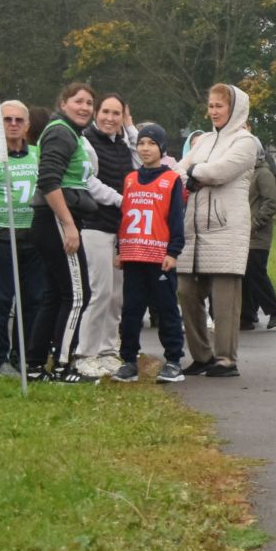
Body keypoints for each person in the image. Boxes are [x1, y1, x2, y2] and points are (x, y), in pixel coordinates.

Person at [178, 84, 263, 376]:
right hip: (195, 229)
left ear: (235, 109)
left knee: (225, 298)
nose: (214, 111)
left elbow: (218, 172)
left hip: (227, 228)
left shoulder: (246, 141)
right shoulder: (203, 141)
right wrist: (196, 172)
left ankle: (226, 360)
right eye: (211, 106)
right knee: (186, 290)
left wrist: (195, 172)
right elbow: (179, 169)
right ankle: (202, 355)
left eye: (220, 106)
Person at [30, 84, 99, 383]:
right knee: (76, 295)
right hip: (57, 220)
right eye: (78, 101)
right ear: (63, 103)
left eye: (89, 103)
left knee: (55, 295)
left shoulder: (73, 134)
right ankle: (61, 366)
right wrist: (68, 224)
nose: (85, 107)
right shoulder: (60, 132)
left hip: (55, 220)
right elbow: (48, 181)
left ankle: (34, 365)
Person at [0, 99, 46, 376]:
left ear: (27, 125)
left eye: (18, 120)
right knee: (0, 302)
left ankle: (23, 355)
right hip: (0, 238)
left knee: (33, 300)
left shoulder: (38, 154)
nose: (13, 124)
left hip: (34, 239)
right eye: (7, 120)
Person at [113, 123, 187, 383]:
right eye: (141, 143)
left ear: (161, 148)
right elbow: (123, 217)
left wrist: (173, 251)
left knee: (166, 309)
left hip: (159, 257)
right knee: (131, 311)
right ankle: (129, 360)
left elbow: (177, 219)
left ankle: (174, 361)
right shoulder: (130, 179)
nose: (145, 148)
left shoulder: (171, 180)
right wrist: (119, 249)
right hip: (133, 255)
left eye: (151, 143)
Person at [74, 93, 135, 376]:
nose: (110, 118)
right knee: (98, 293)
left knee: (115, 295)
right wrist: (119, 199)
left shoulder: (123, 146)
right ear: (96, 113)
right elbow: (88, 181)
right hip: (95, 226)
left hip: (119, 230)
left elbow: (139, 157)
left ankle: (108, 350)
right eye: (105, 112)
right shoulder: (86, 142)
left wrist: (131, 129)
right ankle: (85, 353)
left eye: (116, 113)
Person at [240, 147, 276, 331]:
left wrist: (255, 223)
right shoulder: (248, 173)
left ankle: (275, 310)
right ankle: (247, 316)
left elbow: (270, 202)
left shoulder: (263, 173)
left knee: (255, 272)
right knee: (245, 275)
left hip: (257, 235)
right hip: (244, 233)